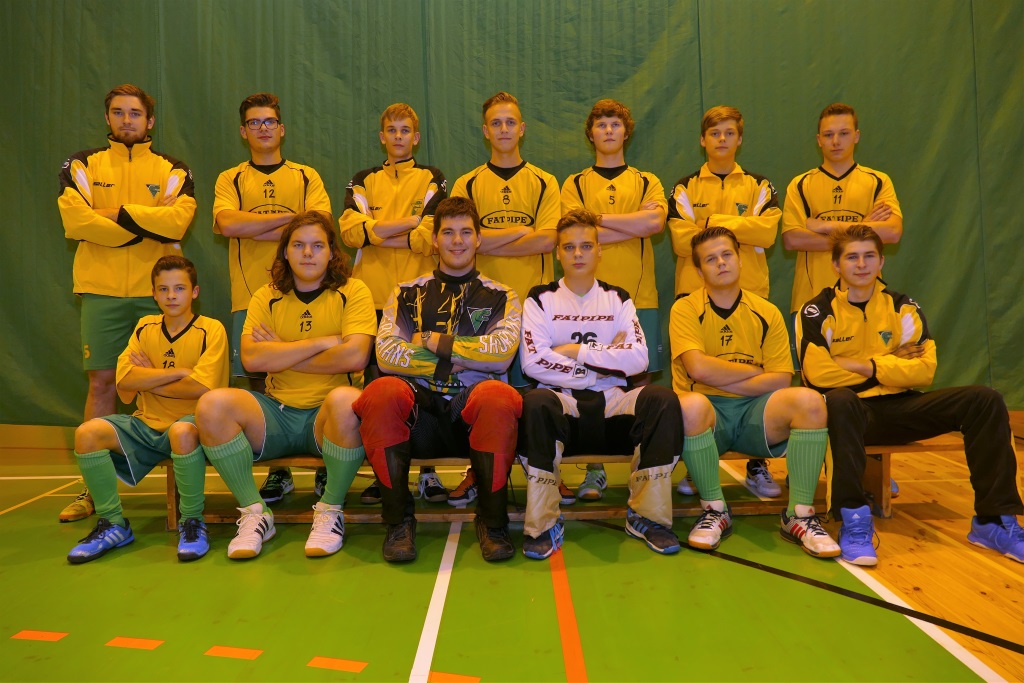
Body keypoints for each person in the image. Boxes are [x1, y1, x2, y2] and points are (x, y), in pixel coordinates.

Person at [798, 224, 1024, 565]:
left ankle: (993, 522)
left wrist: (864, 365)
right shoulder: (817, 311)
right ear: (836, 265)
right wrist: (890, 363)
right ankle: (853, 521)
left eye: (869, 256)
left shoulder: (903, 307)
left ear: (881, 261)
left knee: (984, 399)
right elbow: (818, 374)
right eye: (852, 257)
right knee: (840, 400)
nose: (862, 264)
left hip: (900, 407)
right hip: (852, 416)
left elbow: (924, 371)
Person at [195, 212, 377, 560]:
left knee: (346, 400)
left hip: (327, 419)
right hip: (275, 413)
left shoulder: (353, 290)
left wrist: (280, 350)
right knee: (212, 405)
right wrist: (322, 343)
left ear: (331, 252)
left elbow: (355, 357)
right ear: (285, 252)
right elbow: (252, 359)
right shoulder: (266, 296)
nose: (308, 253)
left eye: (317, 245)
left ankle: (330, 511)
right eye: (298, 245)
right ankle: (255, 514)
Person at [352, 196, 523, 562]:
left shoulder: (502, 296)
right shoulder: (405, 292)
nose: (457, 241)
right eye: (447, 232)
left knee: (496, 394)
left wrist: (430, 340)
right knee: (382, 391)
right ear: (434, 239)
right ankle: (398, 523)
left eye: (466, 232)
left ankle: (493, 523)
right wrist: (457, 359)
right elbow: (387, 355)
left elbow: (501, 355)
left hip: (472, 413)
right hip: (421, 417)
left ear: (479, 238)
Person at [57, 83, 197, 522]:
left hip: (159, 294)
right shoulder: (83, 164)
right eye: (118, 112)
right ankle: (92, 490)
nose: (126, 120)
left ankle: (187, 487)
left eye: (135, 113)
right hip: (100, 291)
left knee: (171, 384)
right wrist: (145, 223)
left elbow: (178, 221)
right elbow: (76, 222)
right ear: (108, 118)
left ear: (149, 121)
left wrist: (114, 214)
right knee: (102, 384)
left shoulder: (172, 168)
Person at [519, 209, 684, 559]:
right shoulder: (539, 298)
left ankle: (647, 518)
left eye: (586, 246)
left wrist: (574, 350)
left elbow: (638, 359)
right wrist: (603, 366)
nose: (578, 254)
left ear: (599, 251)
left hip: (613, 406)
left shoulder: (618, 298)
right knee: (535, 402)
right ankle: (543, 523)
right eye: (569, 247)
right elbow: (533, 362)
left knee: (662, 399)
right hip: (563, 407)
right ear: (558, 253)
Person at [669, 227, 839, 557]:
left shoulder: (767, 311)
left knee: (810, 401)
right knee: (690, 406)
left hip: (755, 415)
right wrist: (755, 372)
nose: (721, 263)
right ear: (699, 270)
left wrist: (723, 375)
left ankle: (799, 516)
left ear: (740, 259)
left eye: (726, 254)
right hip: (708, 418)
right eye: (710, 259)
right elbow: (698, 369)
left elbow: (782, 379)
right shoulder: (685, 309)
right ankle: (715, 510)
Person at [213, 92, 333, 506]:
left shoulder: (305, 176)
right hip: (250, 296)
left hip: (305, 294)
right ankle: (277, 471)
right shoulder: (230, 179)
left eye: (269, 122)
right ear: (243, 131)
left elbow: (321, 225)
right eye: (254, 122)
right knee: (258, 382)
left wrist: (256, 224)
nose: (262, 128)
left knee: (319, 372)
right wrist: (293, 221)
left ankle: (326, 464)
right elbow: (228, 224)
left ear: (281, 129)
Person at [66, 256, 227, 563]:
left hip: (194, 426)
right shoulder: (144, 327)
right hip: (146, 424)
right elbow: (124, 380)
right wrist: (177, 372)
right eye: (163, 289)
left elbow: (201, 388)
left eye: (179, 288)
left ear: (195, 292)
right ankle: (114, 523)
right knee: (87, 433)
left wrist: (149, 377)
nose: (171, 296)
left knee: (182, 430)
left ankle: (192, 522)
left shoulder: (211, 329)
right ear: (153, 294)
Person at [448, 91, 560, 505]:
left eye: (510, 122)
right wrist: (520, 234)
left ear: (522, 128)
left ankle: (543, 469)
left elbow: (548, 239)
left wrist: (488, 238)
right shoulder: (467, 183)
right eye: (496, 123)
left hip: (534, 300)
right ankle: (477, 471)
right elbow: (461, 241)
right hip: (482, 302)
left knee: (536, 390)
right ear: (485, 131)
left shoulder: (545, 181)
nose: (504, 129)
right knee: (482, 388)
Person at [667, 105, 783, 500]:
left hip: (751, 298)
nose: (721, 139)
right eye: (714, 133)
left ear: (739, 138)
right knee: (696, 382)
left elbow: (767, 233)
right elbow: (682, 242)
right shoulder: (684, 187)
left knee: (756, 379)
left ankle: (757, 463)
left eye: (729, 132)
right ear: (703, 140)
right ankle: (697, 461)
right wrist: (739, 226)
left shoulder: (758, 185)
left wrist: (712, 222)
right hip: (696, 300)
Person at [338, 103, 448, 507]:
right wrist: (408, 223)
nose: (398, 136)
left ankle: (428, 471)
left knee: (425, 381)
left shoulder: (432, 178)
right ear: (381, 136)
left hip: (420, 299)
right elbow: (351, 233)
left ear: (415, 138)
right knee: (375, 388)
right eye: (391, 130)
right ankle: (381, 472)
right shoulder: (363, 180)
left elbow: (428, 238)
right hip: (371, 297)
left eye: (405, 130)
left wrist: (377, 231)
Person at [560, 98, 668, 503]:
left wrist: (597, 222)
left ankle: (642, 466)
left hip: (640, 295)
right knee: (591, 378)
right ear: (590, 134)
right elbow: (576, 234)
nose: (608, 130)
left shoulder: (647, 181)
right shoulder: (574, 184)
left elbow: (654, 222)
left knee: (641, 380)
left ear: (627, 131)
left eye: (615, 124)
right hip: (590, 300)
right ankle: (595, 469)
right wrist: (630, 223)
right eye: (601, 124)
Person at [782, 103, 902, 317]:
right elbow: (793, 239)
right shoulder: (800, 184)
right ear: (819, 140)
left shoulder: (878, 181)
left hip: (868, 302)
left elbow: (892, 232)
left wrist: (827, 226)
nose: (836, 141)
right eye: (828, 135)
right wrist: (864, 231)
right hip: (811, 304)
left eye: (844, 133)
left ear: (856, 136)